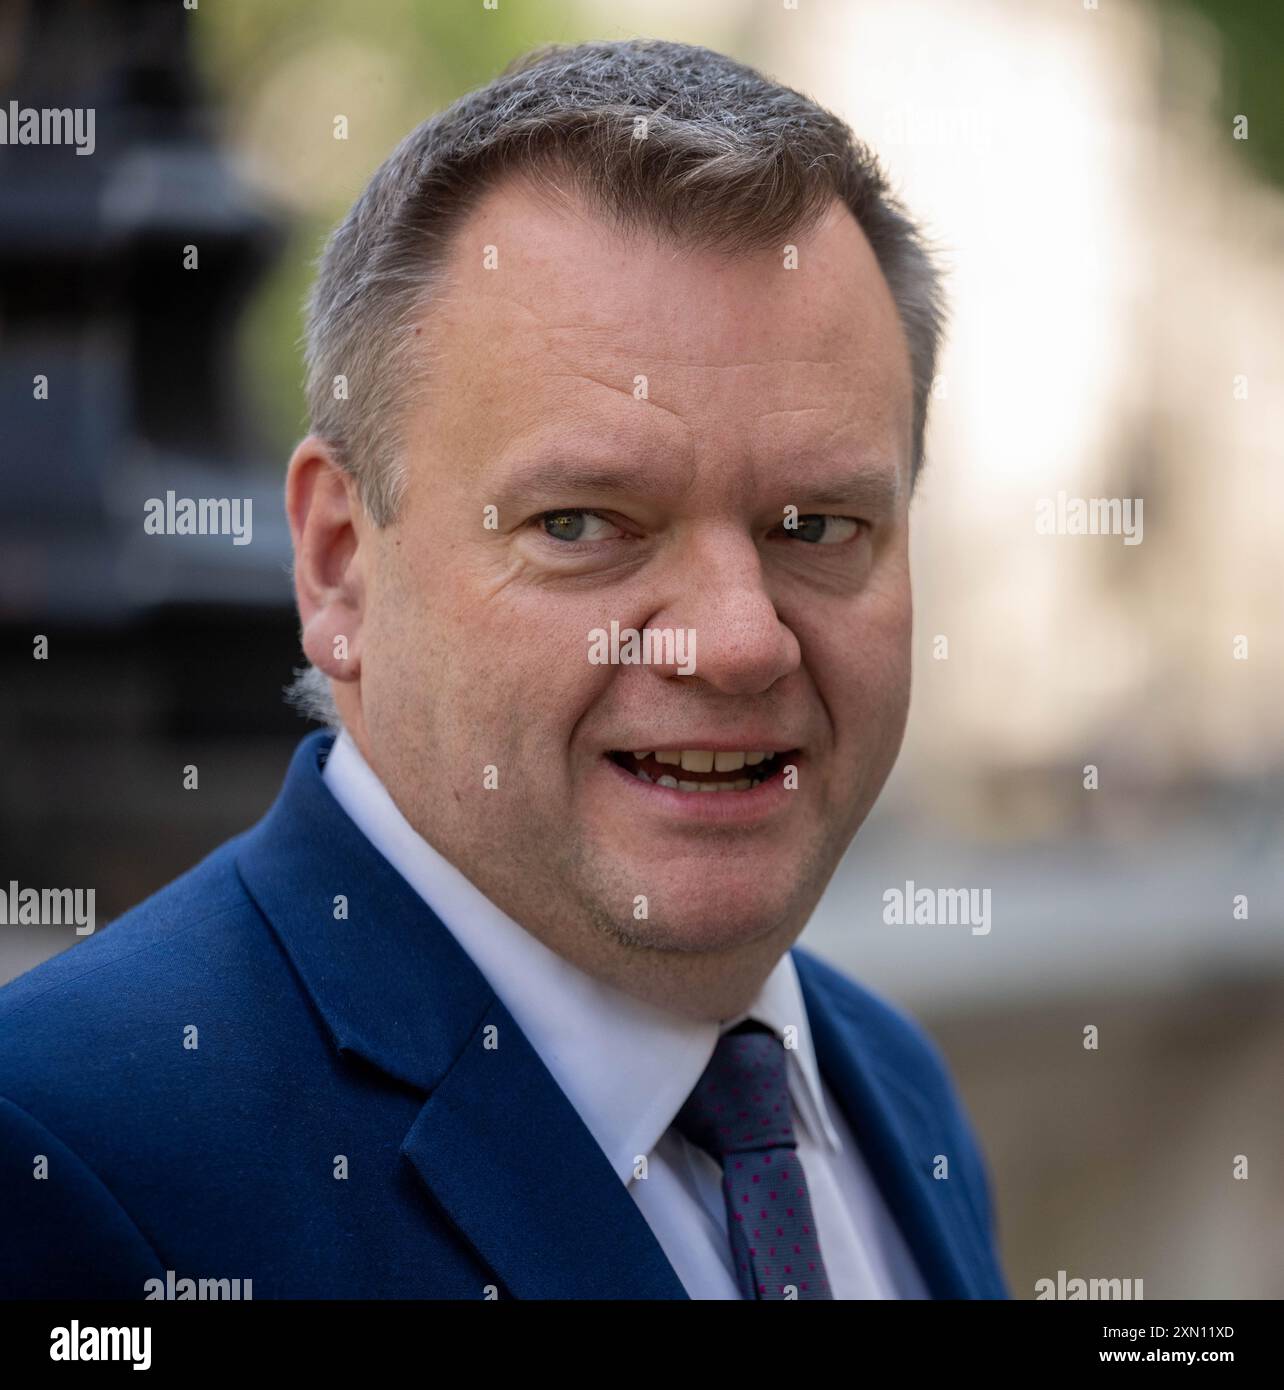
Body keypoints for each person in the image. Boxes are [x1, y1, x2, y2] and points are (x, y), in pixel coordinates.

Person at [0, 38, 1007, 1300]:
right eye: (585, 524)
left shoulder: (890, 1086)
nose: (738, 639)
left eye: (816, 527)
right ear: (337, 564)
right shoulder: (65, 1160)